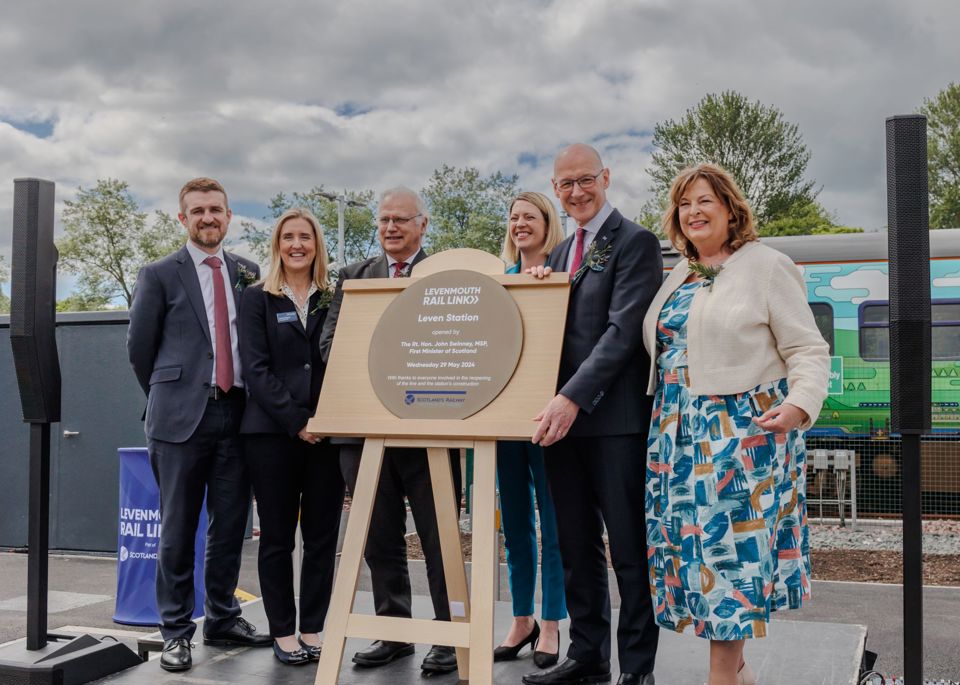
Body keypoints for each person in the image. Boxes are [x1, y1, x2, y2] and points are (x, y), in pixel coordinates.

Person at [642, 163, 829, 685]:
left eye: (705, 200)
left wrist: (800, 404)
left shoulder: (766, 265)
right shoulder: (680, 271)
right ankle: (739, 672)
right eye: (684, 204)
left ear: (730, 208)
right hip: (677, 432)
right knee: (692, 556)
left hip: (740, 431)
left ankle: (722, 676)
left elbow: (808, 348)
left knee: (728, 561)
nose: (693, 212)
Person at [524, 144, 662, 685]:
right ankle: (587, 656)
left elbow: (622, 333)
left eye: (586, 180)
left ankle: (638, 669)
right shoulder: (558, 255)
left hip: (614, 424)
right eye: (566, 184)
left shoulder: (636, 242)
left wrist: (571, 397)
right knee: (575, 547)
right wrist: (534, 292)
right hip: (561, 428)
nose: (577, 192)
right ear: (555, 189)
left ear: (606, 177)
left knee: (628, 551)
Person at [318, 186, 463, 675]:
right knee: (379, 539)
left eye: (400, 219)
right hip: (363, 432)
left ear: (423, 224)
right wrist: (396, 362)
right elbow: (331, 345)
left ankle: (449, 636)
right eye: (383, 220)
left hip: (430, 431)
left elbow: (457, 343)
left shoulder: (446, 278)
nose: (390, 228)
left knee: (440, 540)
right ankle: (393, 632)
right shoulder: (353, 277)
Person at [127, 177, 269, 673]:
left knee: (230, 525)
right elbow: (139, 350)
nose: (208, 217)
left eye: (216, 209)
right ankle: (175, 632)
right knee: (177, 528)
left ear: (228, 216)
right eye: (198, 210)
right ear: (182, 218)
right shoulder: (158, 274)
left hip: (237, 414)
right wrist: (174, 394)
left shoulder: (248, 273)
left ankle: (224, 617)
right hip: (179, 419)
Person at [239, 208, 345, 665]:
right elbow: (255, 370)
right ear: (277, 245)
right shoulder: (256, 298)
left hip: (326, 436)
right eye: (288, 237)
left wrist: (323, 420)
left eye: (305, 237)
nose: (297, 245)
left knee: (322, 537)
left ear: (317, 244)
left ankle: (313, 627)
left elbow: (343, 359)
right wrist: (297, 420)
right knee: (278, 538)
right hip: (271, 435)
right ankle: (282, 631)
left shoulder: (334, 297)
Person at [494, 192, 567, 668]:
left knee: (555, 523)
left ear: (547, 223)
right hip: (504, 418)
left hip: (550, 417)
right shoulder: (500, 281)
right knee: (515, 524)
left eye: (529, 217)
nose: (520, 224)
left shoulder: (562, 275)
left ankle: (553, 622)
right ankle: (522, 619)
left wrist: (547, 283)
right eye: (514, 217)